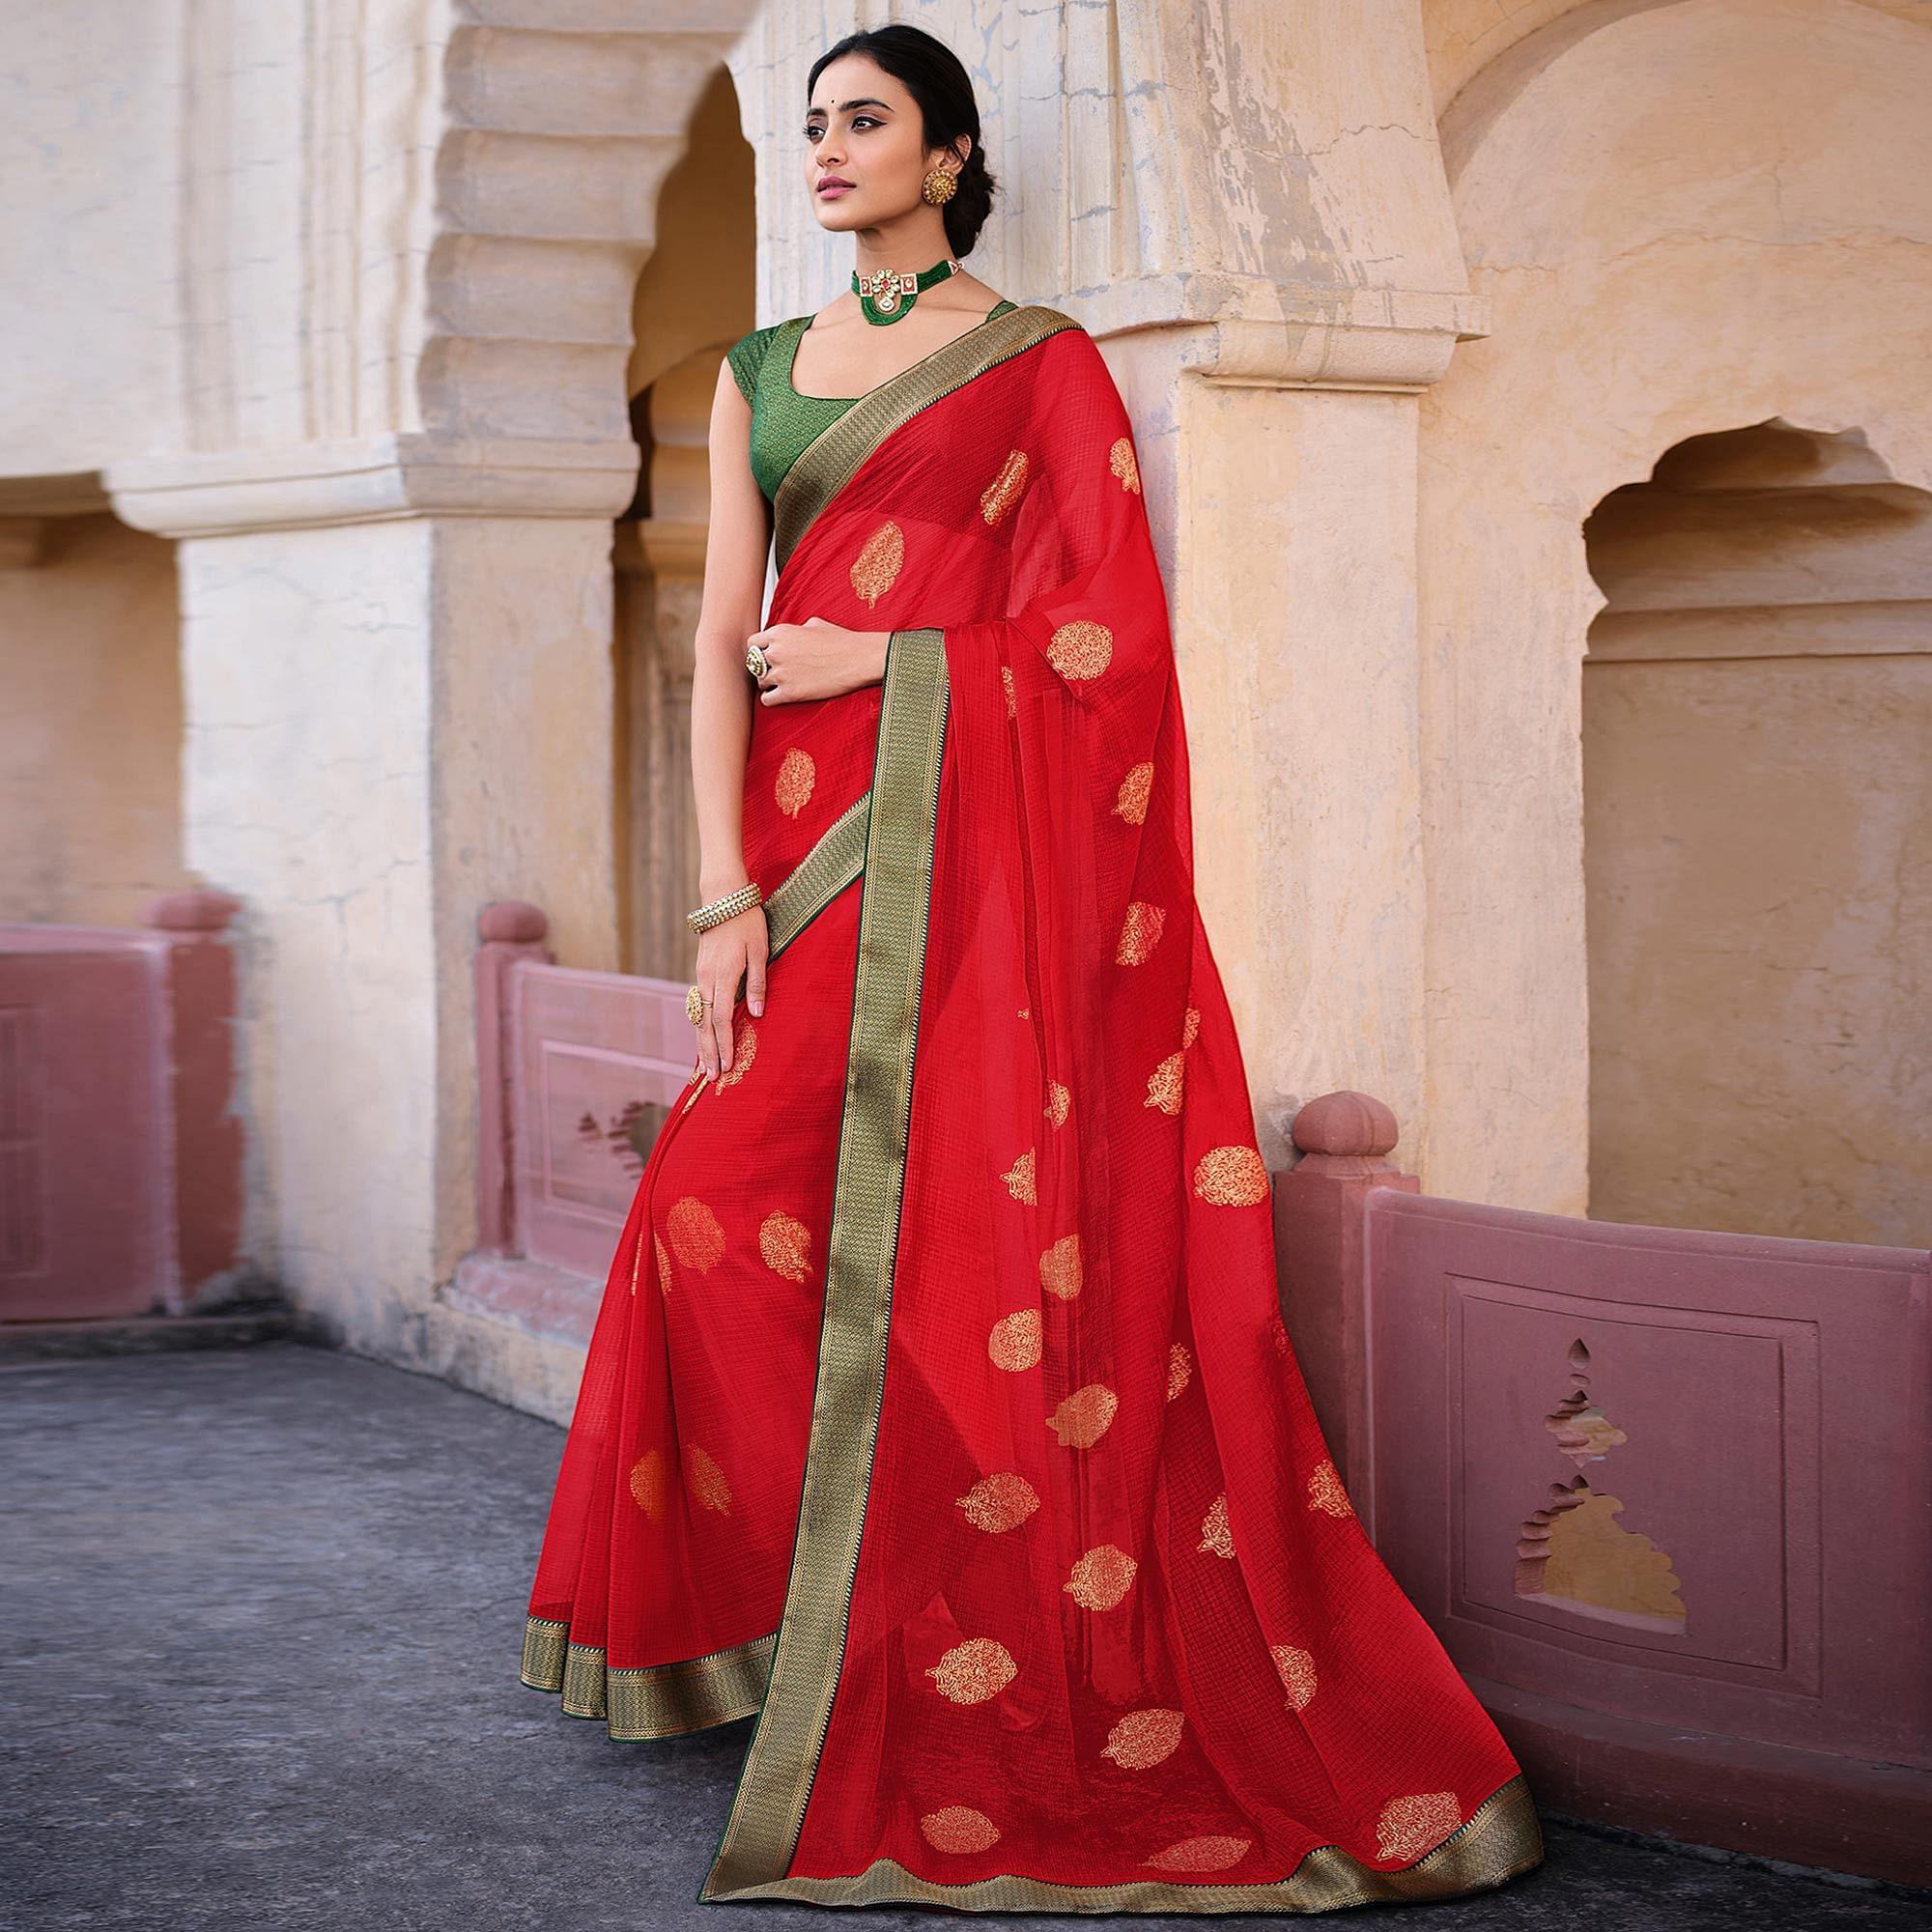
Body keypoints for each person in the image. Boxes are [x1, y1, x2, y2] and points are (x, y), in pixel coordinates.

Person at [518, 20, 1546, 1915]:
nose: (826, 150)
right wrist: (718, 900)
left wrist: (893, 666)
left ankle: (928, 1648)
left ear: (950, 151)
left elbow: (1112, 637)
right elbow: (714, 649)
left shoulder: (1037, 366)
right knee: (705, 1211)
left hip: (982, 888)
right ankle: (788, 1630)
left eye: (863, 121)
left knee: (951, 1254)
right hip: (814, 873)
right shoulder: (760, 371)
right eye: (809, 125)